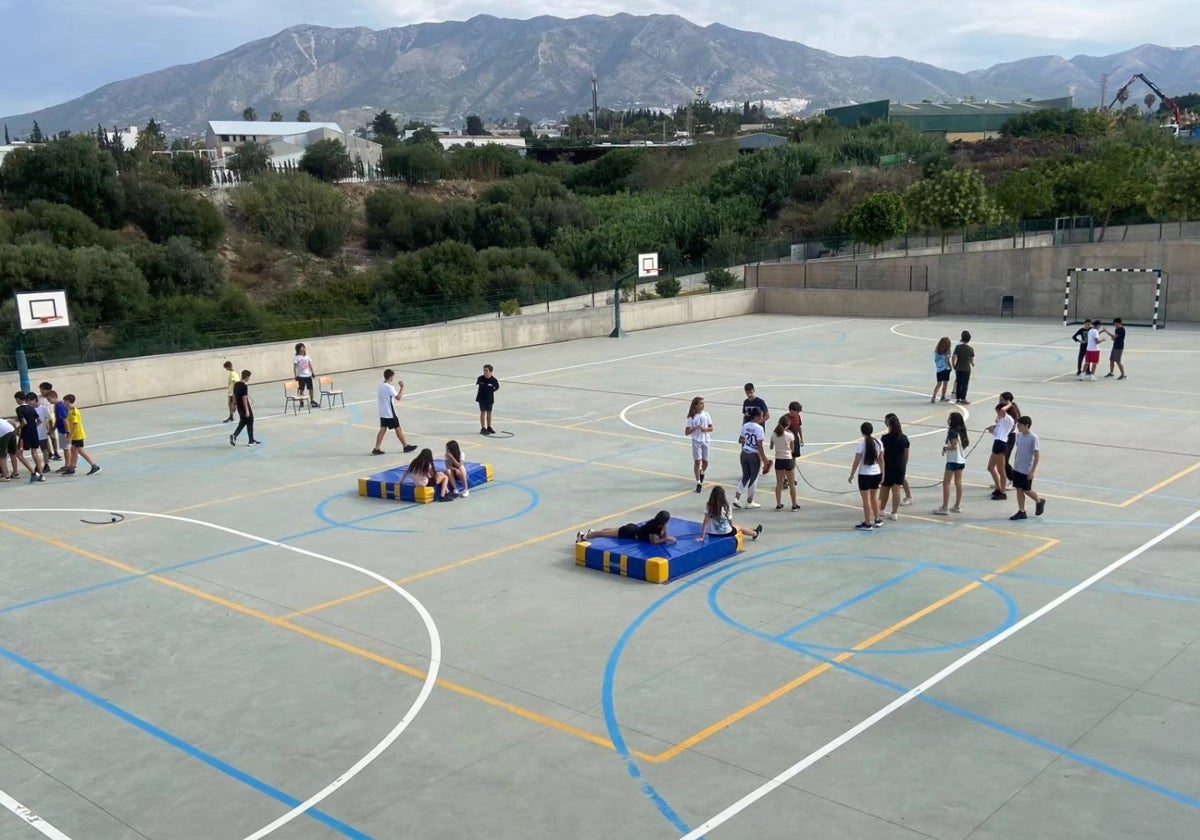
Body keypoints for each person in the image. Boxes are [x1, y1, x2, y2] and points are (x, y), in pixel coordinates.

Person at [848, 421, 885, 530]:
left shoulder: (861, 444)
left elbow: (857, 461)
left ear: (862, 432)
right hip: (876, 473)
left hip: (864, 475)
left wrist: (852, 474)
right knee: (874, 498)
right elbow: (881, 460)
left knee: (866, 500)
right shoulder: (879, 443)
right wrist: (883, 474)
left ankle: (867, 523)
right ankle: (877, 519)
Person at [373, 369, 418, 455]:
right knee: (398, 428)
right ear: (390, 377)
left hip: (383, 412)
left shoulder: (381, 386)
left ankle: (376, 448)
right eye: (393, 376)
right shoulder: (389, 387)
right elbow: (398, 397)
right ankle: (405, 446)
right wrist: (402, 387)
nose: (393, 378)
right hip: (390, 413)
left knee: (383, 429)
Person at [1009, 416, 1046, 520]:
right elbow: (1018, 450)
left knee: (1026, 490)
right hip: (1017, 468)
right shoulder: (1019, 436)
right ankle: (1021, 511)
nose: (1018, 427)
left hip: (1026, 469)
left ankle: (1039, 501)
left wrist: (1032, 471)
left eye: (1020, 425)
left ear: (1026, 426)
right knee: (1018, 489)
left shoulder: (1033, 438)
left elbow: (1037, 455)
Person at [733, 406, 770, 510]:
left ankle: (737, 498)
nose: (763, 418)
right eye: (762, 416)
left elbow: (740, 440)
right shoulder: (759, 428)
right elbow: (760, 446)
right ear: (758, 417)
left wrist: (748, 442)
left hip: (744, 453)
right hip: (754, 455)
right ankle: (750, 501)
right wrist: (764, 459)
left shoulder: (745, 425)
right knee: (754, 478)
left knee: (745, 476)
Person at [932, 412, 969, 515]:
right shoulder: (961, 431)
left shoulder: (952, 432)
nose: (947, 420)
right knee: (958, 483)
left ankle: (944, 507)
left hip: (953, 460)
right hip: (961, 460)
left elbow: (954, 446)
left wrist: (945, 448)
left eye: (949, 418)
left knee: (946, 483)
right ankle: (957, 506)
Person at [697, 486, 762, 541]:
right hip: (725, 533)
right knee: (740, 527)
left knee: (737, 527)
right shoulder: (726, 506)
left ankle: (752, 530)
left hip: (712, 533)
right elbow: (729, 520)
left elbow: (705, 521)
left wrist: (702, 536)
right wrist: (731, 527)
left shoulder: (709, 506)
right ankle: (755, 533)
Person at [879, 413, 910, 520]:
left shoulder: (885, 438)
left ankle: (882, 509)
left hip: (888, 466)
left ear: (890, 426)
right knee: (896, 490)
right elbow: (906, 455)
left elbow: (881, 455)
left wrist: (881, 467)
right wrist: (903, 466)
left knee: (885, 488)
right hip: (900, 466)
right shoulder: (904, 439)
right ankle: (894, 513)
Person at [579, 511, 676, 545]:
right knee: (604, 534)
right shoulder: (653, 527)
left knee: (608, 531)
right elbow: (653, 542)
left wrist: (665, 531)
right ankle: (584, 537)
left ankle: (593, 532)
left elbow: (662, 536)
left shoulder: (657, 525)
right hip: (630, 532)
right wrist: (666, 539)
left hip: (633, 528)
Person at [62, 394, 101, 476]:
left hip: (77, 435)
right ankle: (72, 468)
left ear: (68, 401)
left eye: (64, 401)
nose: (63, 403)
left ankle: (94, 466)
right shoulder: (69, 411)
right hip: (74, 435)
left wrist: (71, 436)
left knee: (80, 450)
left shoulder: (74, 412)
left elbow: (76, 426)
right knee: (73, 450)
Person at [984, 401, 1015, 499]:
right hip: (997, 443)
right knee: (990, 467)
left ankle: (1002, 492)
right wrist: (991, 429)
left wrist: (1009, 404)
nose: (997, 414)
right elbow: (997, 432)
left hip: (1001, 444)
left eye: (997, 412)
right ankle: (997, 488)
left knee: (1001, 470)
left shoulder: (1008, 419)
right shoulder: (1001, 420)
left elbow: (1002, 410)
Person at [769, 416, 799, 511]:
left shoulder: (774, 434)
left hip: (779, 460)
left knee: (779, 483)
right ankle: (794, 505)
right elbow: (792, 449)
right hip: (788, 460)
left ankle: (778, 504)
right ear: (788, 425)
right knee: (791, 484)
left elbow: (771, 447)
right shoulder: (790, 435)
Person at [685, 396, 714, 493]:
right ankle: (698, 482)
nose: (703, 405)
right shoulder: (691, 417)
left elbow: (711, 428)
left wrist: (705, 429)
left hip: (706, 440)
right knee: (697, 462)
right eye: (701, 403)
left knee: (705, 462)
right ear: (696, 405)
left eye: (703, 403)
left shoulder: (706, 414)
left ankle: (702, 472)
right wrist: (695, 428)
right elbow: (687, 432)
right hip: (696, 440)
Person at [16, 393, 45, 483]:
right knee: (34, 453)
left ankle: (33, 473)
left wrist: (17, 429)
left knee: (19, 454)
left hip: (25, 435)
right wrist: (33, 427)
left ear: (18, 399)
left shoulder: (19, 409)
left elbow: (24, 422)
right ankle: (41, 475)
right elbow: (39, 421)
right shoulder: (31, 408)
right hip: (34, 433)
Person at [229, 370, 260, 447]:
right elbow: (244, 398)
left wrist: (235, 404)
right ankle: (251, 440)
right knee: (250, 420)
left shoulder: (236, 384)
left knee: (243, 422)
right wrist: (247, 410)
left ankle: (235, 435)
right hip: (244, 406)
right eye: (249, 377)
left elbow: (234, 395)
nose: (249, 378)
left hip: (239, 406)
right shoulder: (244, 386)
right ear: (246, 376)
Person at [0, 415, 34, 482]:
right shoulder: (2, 420)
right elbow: (13, 422)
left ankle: (5, 476)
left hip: (3, 434)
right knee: (13, 454)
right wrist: (16, 433)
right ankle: (15, 473)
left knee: (1, 457)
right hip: (11, 430)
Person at [37, 382, 61, 462]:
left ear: (48, 390)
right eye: (40, 389)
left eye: (43, 389)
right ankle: (49, 453)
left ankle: (56, 452)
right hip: (43, 420)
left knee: (53, 437)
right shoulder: (38, 398)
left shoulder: (52, 397)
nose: (41, 390)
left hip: (51, 419)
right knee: (45, 437)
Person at [951, 330, 974, 404]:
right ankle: (963, 398)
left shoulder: (958, 347)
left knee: (959, 382)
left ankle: (958, 398)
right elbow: (971, 359)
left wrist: (953, 364)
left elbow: (954, 356)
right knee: (965, 384)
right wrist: (972, 363)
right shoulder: (970, 349)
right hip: (966, 368)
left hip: (958, 367)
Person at [476, 364, 500, 435]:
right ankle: (483, 428)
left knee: (489, 412)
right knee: (483, 412)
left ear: (490, 371)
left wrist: (490, 392)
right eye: (484, 370)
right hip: (481, 398)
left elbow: (496, 388)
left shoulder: (494, 380)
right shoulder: (480, 378)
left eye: (486, 370)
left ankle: (489, 426)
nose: (485, 372)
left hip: (489, 399)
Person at [293, 343, 319, 408]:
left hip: (308, 375)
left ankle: (312, 400)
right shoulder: (297, 357)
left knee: (311, 388)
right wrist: (296, 375)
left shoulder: (307, 356)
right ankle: (301, 401)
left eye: (303, 347)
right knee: (301, 389)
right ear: (298, 349)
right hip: (301, 376)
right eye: (301, 347)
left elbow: (310, 364)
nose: (303, 348)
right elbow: (295, 367)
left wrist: (312, 372)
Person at [50, 390, 70, 473]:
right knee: (65, 448)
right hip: (61, 429)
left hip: (63, 430)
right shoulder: (57, 405)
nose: (49, 401)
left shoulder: (60, 406)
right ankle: (67, 464)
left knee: (66, 448)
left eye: (49, 399)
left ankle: (68, 465)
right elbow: (58, 419)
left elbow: (65, 420)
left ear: (54, 397)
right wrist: (53, 428)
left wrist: (68, 432)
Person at [931, 337, 952, 403]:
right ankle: (942, 397)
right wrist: (950, 366)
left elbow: (935, 361)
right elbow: (947, 360)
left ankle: (934, 396)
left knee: (939, 383)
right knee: (945, 384)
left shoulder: (937, 352)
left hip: (940, 369)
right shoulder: (948, 351)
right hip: (946, 368)